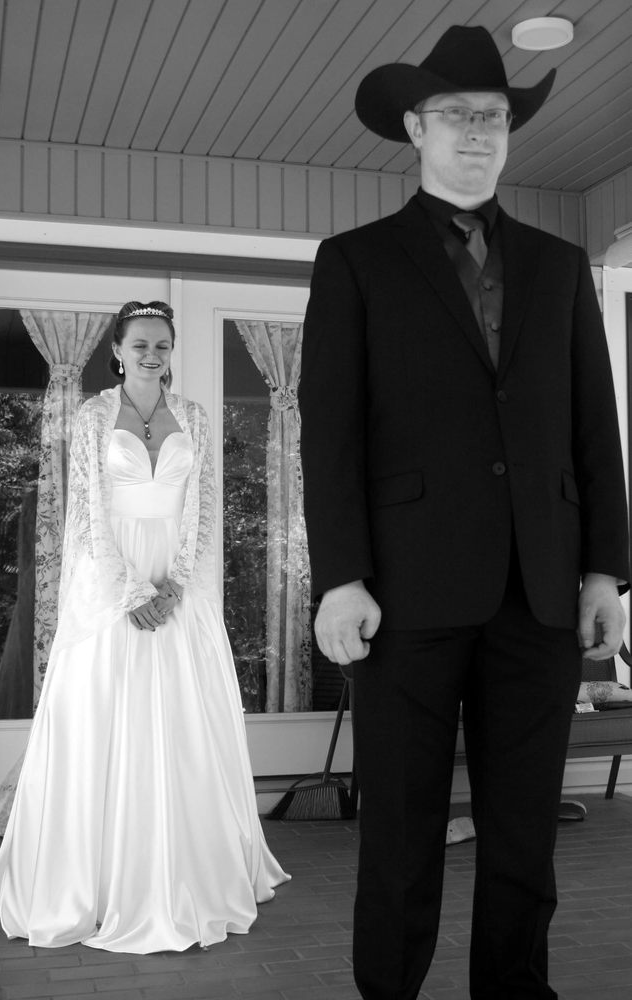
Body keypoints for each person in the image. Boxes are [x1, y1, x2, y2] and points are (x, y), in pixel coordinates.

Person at [298, 25, 629, 1000]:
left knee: (523, 833)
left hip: (539, 590)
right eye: (456, 116)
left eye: (492, 117)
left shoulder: (559, 266)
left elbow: (594, 426)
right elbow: (330, 432)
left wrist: (604, 569)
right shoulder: (355, 261)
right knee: (400, 830)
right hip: (403, 592)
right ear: (415, 127)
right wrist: (340, 577)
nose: (477, 132)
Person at [0, 300, 289, 953]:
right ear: (118, 351)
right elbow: (88, 512)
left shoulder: (195, 417)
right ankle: (93, 882)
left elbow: (202, 509)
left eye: (162, 345)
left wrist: (175, 584)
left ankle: (189, 873)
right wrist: (129, 592)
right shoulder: (94, 417)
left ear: (171, 352)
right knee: (104, 714)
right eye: (141, 344)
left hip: (179, 584)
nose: (152, 354)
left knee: (183, 720)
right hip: (110, 578)